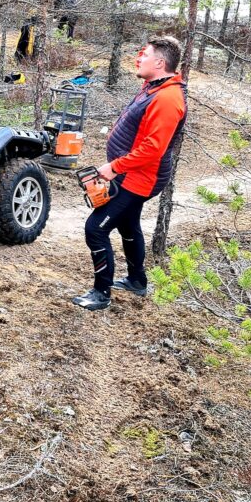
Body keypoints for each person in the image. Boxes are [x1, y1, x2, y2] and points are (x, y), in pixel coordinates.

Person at [71, 35, 188, 311]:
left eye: (144, 55)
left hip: (140, 178)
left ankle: (101, 293)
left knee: (95, 229)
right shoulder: (153, 87)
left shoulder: (169, 98)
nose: (139, 58)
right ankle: (137, 281)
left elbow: (153, 149)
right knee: (128, 224)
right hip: (130, 173)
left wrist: (114, 167)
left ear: (159, 62)